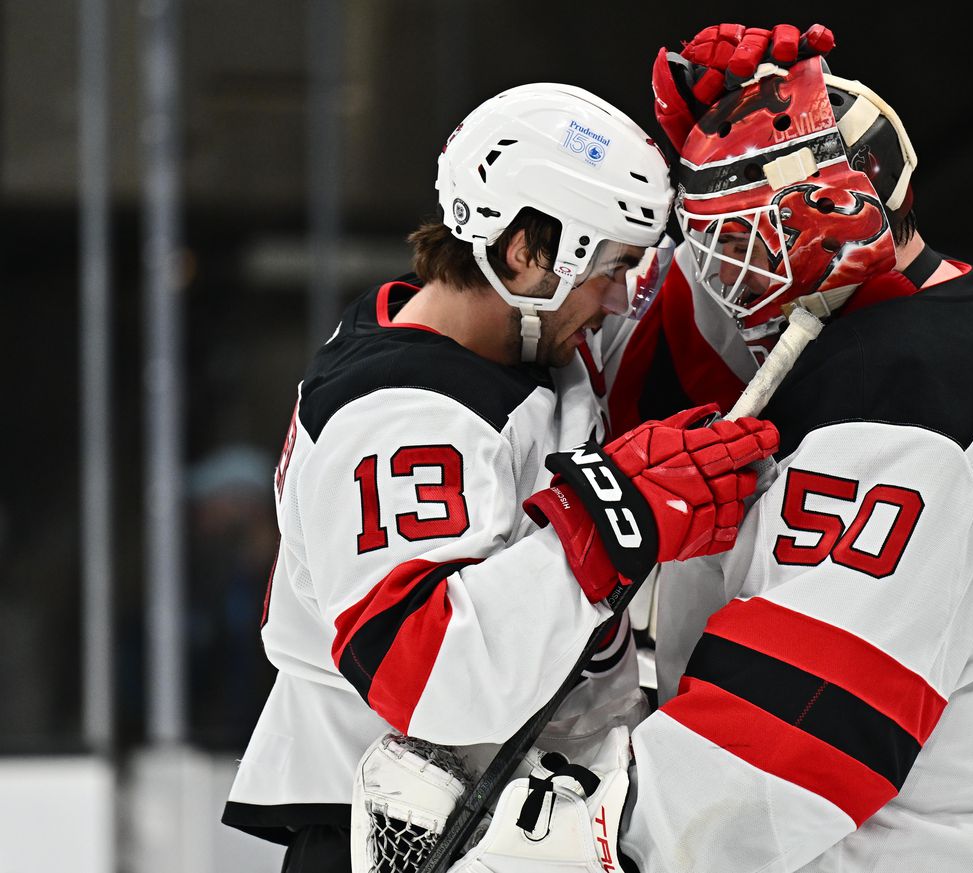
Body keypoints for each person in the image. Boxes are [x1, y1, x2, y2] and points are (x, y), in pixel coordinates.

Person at [220, 82, 779, 872]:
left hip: (508, 818)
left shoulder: (523, 338)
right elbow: (426, 670)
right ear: (526, 250)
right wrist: (607, 521)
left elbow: (667, 337)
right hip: (403, 838)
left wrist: (734, 163)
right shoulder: (397, 418)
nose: (622, 296)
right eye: (611, 266)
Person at [610, 25, 973, 872]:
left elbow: (787, 752)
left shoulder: (907, 398)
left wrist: (585, 828)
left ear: (821, 229)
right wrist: (710, 147)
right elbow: (677, 389)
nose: (717, 274)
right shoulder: (925, 325)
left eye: (732, 247)